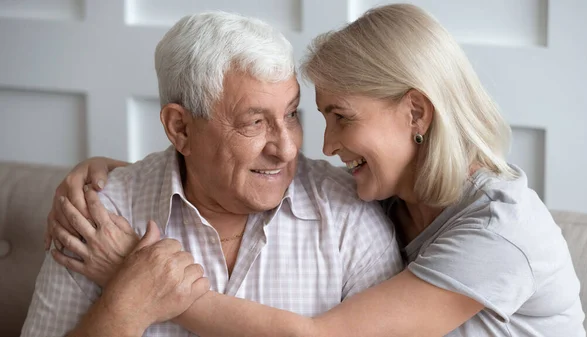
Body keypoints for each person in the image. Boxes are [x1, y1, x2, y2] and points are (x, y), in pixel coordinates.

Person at [44, 3, 586, 337]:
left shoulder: (498, 232)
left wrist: (138, 283)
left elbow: (318, 336)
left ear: (416, 113)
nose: (317, 147)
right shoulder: (392, 196)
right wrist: (124, 175)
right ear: (179, 130)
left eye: (341, 118)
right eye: (258, 121)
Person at [21, 10, 402, 337]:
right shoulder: (99, 217)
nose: (286, 149)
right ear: (181, 129)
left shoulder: (348, 215)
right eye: (254, 122)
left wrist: (125, 272)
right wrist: (125, 305)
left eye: (291, 114)